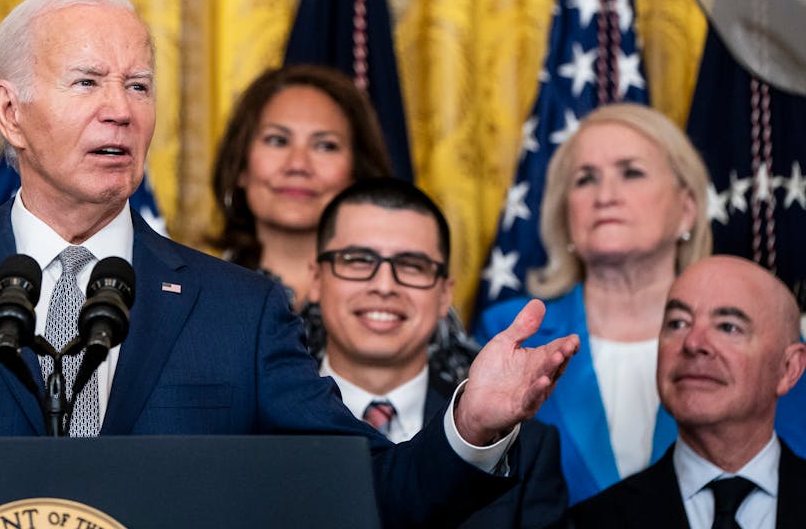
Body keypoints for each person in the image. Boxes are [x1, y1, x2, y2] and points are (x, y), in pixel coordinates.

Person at [0, 0, 579, 529]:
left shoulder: (237, 309)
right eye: (89, 82)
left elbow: (361, 497)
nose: (122, 109)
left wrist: (471, 426)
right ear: (10, 111)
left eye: (139, 85)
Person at [477, 103, 712, 504]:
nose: (605, 196)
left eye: (631, 173)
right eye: (585, 179)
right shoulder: (508, 331)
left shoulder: (752, 336)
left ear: (686, 209)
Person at [314, 178, 567, 529]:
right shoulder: (259, 423)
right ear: (316, 278)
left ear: (445, 294)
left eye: (412, 265)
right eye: (358, 260)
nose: (384, 286)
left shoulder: (523, 449)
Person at [213, 63, 479, 385]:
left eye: (325, 146)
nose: (298, 165)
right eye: (277, 140)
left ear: (357, 171)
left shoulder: (410, 295)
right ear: (240, 166)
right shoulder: (202, 294)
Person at [569, 256, 806, 528]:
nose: (692, 343)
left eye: (728, 327)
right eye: (677, 323)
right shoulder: (589, 522)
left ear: (789, 368)